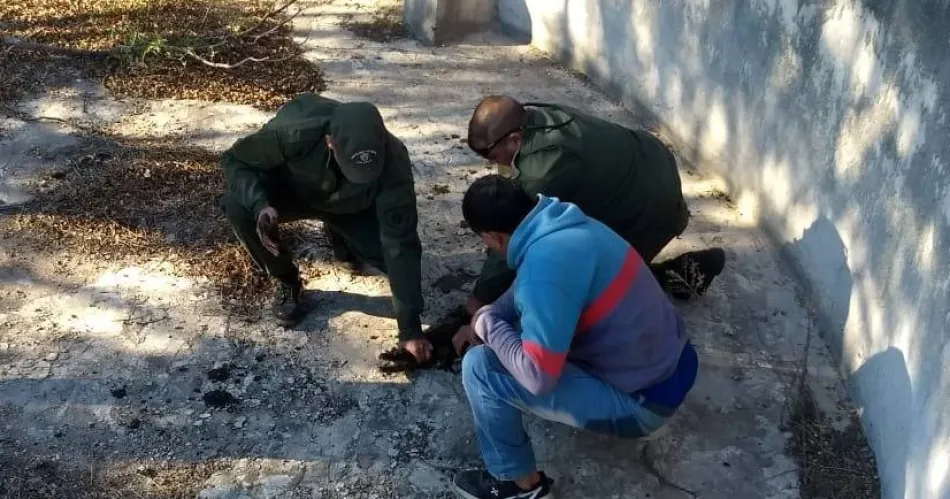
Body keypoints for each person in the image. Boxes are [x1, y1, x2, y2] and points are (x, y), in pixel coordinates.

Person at [451, 175, 699, 499]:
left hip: (646, 405)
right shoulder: (565, 226)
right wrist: (490, 313)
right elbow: (528, 286)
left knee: (480, 368)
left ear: (492, 237)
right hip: (676, 365)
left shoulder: (543, 271)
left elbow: (538, 377)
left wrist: (488, 327)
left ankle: (519, 486)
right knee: (527, 330)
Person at [462, 95, 726, 316]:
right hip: (649, 163)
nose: (491, 163)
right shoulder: (536, 118)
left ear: (514, 140)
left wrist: (480, 299)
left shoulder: (545, 168)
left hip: (650, 205)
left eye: (492, 156)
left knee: (582, 292)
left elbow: (514, 233)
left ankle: (677, 275)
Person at [217, 93, 432, 362]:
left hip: (350, 208)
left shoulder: (394, 157)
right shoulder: (292, 134)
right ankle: (286, 280)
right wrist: (260, 204)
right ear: (330, 142)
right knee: (238, 206)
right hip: (293, 195)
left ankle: (342, 238)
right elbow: (235, 159)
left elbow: (400, 242)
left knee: (390, 260)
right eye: (352, 168)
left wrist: (410, 330)